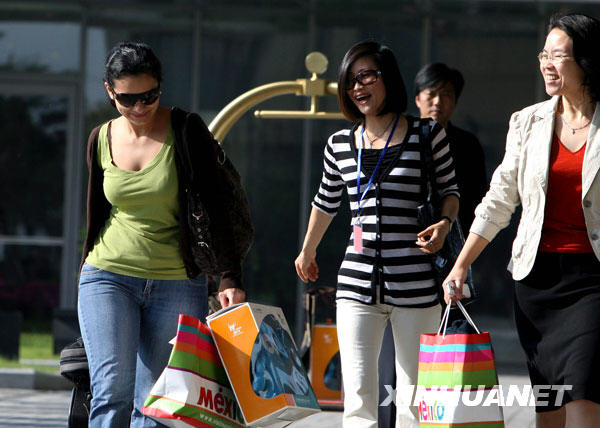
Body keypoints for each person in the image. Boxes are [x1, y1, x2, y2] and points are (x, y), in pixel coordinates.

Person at [78, 41, 250, 427]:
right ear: (109, 90)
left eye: (150, 96)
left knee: (158, 402)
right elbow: (97, 214)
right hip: (108, 275)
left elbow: (218, 206)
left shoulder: (186, 130)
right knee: (110, 391)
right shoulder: (100, 138)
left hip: (176, 280)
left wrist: (230, 275)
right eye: (127, 98)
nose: (140, 107)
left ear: (160, 87)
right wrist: (84, 271)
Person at [444, 13, 600, 428]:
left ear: (587, 61)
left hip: (593, 278)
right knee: (548, 407)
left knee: (584, 395)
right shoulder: (527, 122)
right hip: (536, 280)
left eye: (559, 56)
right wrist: (461, 264)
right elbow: (498, 201)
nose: (547, 63)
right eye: (543, 54)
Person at [294, 40, 459, 427]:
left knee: (414, 400)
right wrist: (307, 250)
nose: (358, 86)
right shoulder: (339, 144)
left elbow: (451, 191)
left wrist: (445, 224)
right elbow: (325, 202)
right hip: (355, 284)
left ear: (389, 79)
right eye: (351, 80)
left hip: (416, 284)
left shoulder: (426, 134)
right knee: (358, 398)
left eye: (367, 75)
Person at [414, 63, 487, 236]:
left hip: (457, 234)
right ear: (418, 99)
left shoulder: (468, 144)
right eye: (431, 94)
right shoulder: (404, 140)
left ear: (455, 101)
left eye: (446, 95)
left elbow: (477, 196)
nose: (438, 102)